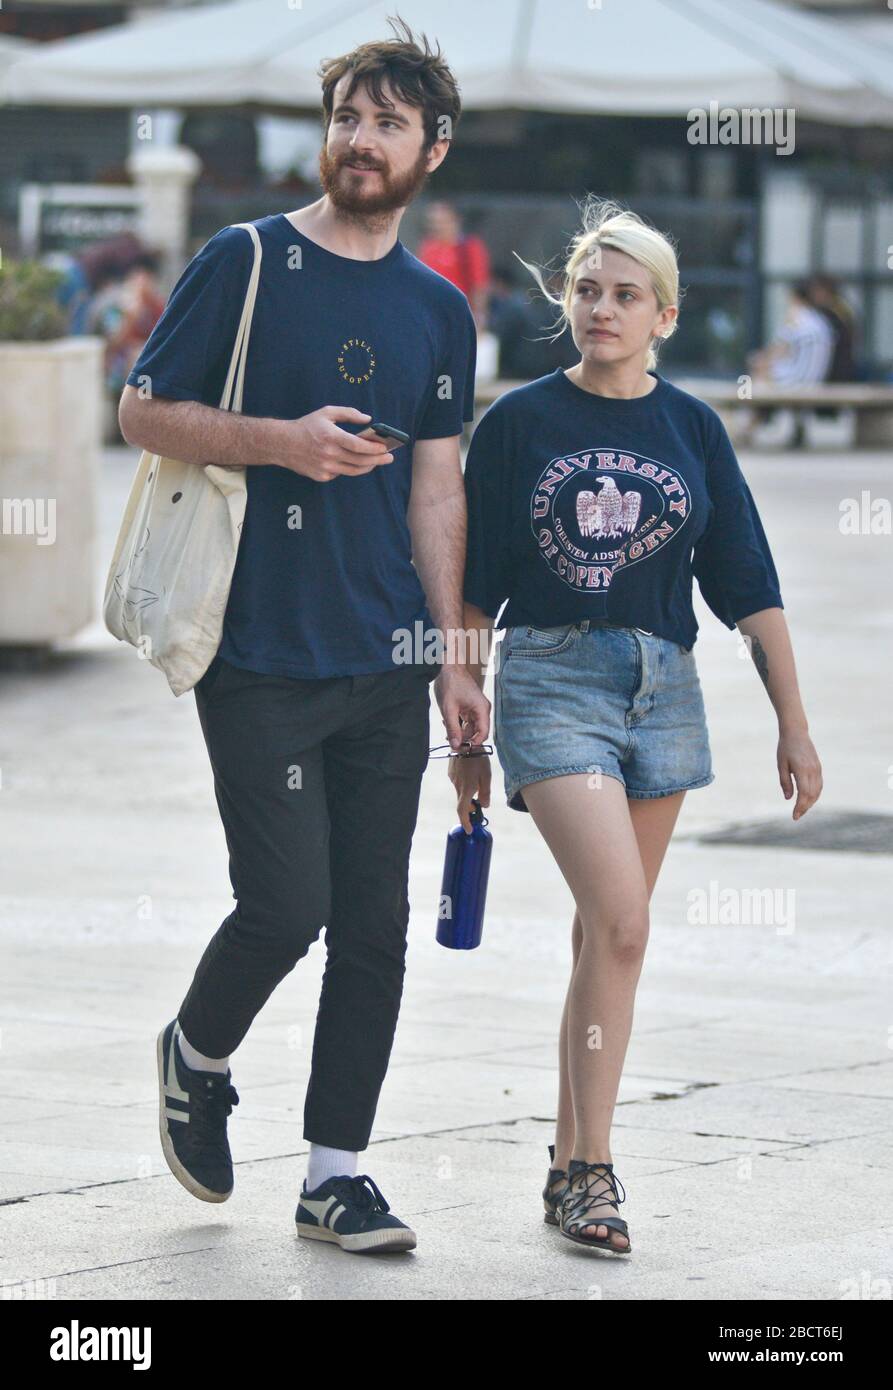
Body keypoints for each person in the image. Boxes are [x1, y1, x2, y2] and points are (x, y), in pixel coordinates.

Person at [118, 17, 488, 1256]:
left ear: (430, 148)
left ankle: (334, 1174)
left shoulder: (441, 311)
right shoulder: (247, 261)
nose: (360, 140)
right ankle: (197, 1053)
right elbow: (140, 410)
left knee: (373, 928)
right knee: (285, 904)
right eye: (345, 118)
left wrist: (452, 653)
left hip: (383, 657)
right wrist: (282, 439)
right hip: (259, 646)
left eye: (387, 122)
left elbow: (438, 488)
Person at [451, 198, 823, 1255]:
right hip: (552, 678)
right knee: (620, 922)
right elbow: (476, 589)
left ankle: (567, 1163)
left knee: (597, 933)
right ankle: (596, 1171)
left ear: (663, 313)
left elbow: (746, 581)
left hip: (663, 688)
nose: (599, 308)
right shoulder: (517, 422)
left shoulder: (690, 426)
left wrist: (791, 723)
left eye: (623, 295)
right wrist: (465, 724)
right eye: (585, 290)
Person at [417, 199, 491, 329]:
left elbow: (479, 286)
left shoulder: (470, 247)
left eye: (441, 222)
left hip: (459, 316)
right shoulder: (428, 247)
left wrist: (479, 317)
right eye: (433, 223)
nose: (436, 227)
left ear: (456, 220)